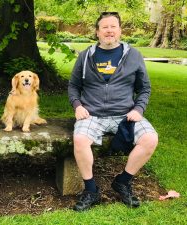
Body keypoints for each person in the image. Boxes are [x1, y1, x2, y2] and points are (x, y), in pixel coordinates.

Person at [68, 12, 158, 211]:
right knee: (80, 140)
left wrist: (139, 108)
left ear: (120, 30)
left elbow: (144, 88)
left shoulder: (133, 55)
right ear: (97, 32)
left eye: (113, 27)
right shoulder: (85, 56)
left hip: (125, 114)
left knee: (150, 139)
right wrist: (78, 106)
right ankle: (91, 190)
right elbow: (73, 86)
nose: (109, 31)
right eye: (104, 27)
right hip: (92, 114)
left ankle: (123, 182)